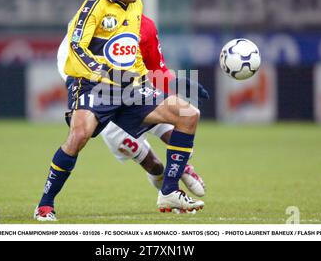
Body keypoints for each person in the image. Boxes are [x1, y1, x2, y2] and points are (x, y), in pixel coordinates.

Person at [35, 0, 205, 221]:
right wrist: (104, 73)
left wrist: (166, 83)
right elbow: (76, 48)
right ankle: (45, 204)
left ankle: (169, 191)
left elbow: (132, 56)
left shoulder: (135, 7)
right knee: (79, 136)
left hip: (127, 86)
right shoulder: (95, 5)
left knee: (187, 114)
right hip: (91, 84)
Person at [57, 14, 209, 197]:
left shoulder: (145, 26)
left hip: (135, 90)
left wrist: (176, 83)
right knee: (153, 165)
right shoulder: (93, 16)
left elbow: (156, 69)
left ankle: (179, 174)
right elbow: (68, 57)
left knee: (178, 130)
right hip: (104, 102)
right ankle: (163, 177)